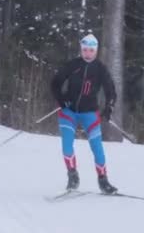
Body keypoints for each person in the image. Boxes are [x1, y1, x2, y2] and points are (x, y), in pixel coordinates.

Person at [50, 34, 118, 194]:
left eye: (91, 50)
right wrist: (61, 99)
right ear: (81, 50)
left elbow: (111, 92)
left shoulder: (101, 69)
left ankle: (103, 181)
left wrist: (109, 107)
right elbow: (55, 83)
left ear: (96, 51)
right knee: (67, 145)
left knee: (97, 147)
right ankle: (73, 176)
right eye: (85, 50)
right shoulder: (73, 65)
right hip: (69, 111)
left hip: (89, 113)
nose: (88, 53)